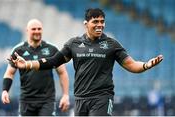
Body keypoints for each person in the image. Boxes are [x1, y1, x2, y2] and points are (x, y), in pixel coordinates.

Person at [11, 8, 163, 116]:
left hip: (102, 97)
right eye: (95, 21)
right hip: (80, 98)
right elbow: (53, 61)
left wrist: (146, 65)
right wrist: (28, 64)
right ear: (86, 23)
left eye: (102, 21)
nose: (100, 25)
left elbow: (131, 64)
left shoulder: (111, 44)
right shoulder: (74, 44)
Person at [1, 19, 70, 116]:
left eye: (39, 29)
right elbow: (10, 73)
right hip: (26, 100)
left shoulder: (52, 49)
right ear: (27, 30)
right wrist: (5, 90)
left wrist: (65, 95)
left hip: (47, 100)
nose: (37, 31)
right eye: (34, 29)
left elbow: (62, 72)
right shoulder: (18, 50)